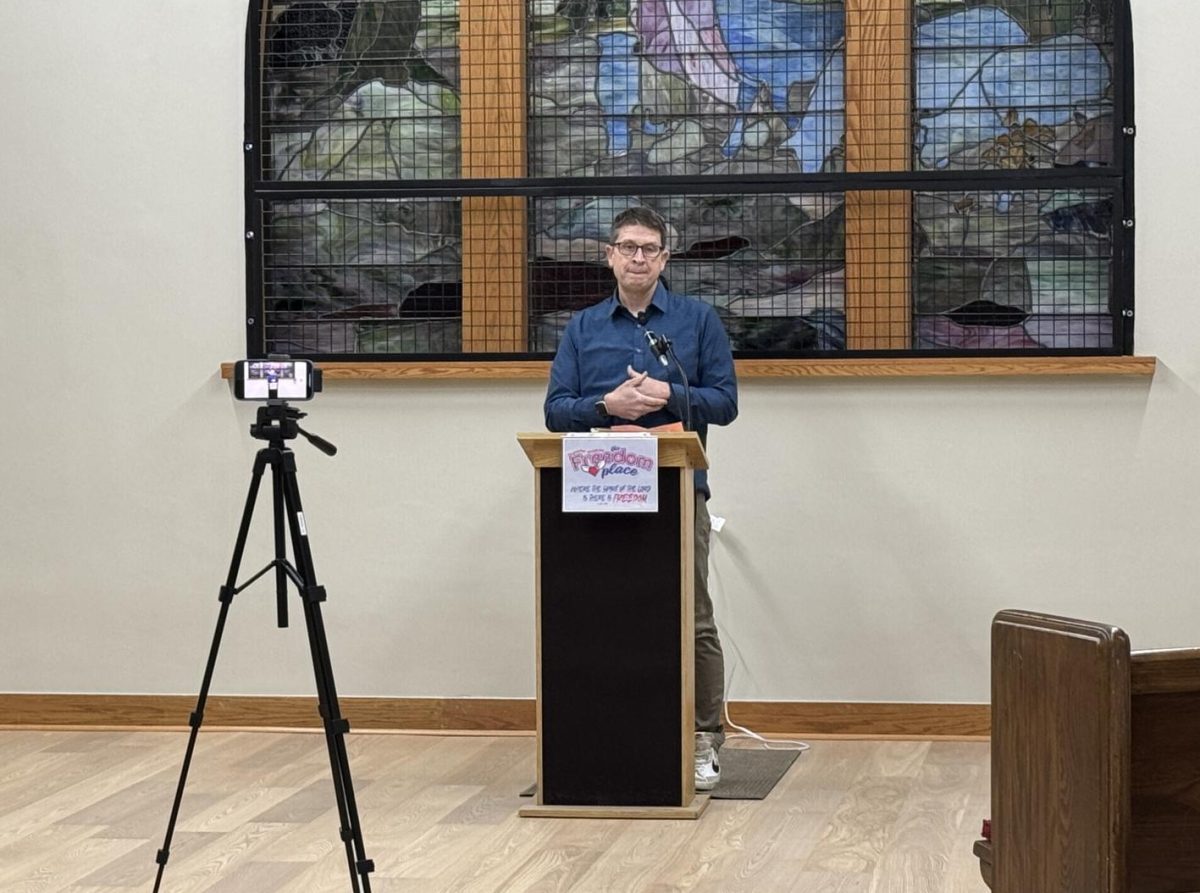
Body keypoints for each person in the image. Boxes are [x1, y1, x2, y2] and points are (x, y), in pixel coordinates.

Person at [543, 205, 738, 791]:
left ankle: (704, 739)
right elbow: (555, 412)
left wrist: (665, 394)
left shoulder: (697, 321)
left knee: (692, 616)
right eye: (627, 247)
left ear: (664, 259)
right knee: (602, 612)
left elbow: (724, 404)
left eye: (649, 248)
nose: (637, 257)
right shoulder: (583, 327)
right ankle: (607, 730)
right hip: (597, 491)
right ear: (609, 255)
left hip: (677, 489)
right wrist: (607, 408)